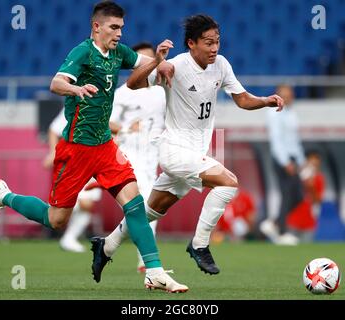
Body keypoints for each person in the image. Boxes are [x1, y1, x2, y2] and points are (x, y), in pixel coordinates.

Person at [0, 1, 187, 293]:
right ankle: (4, 195)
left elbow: (143, 64)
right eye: (114, 27)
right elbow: (56, 83)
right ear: (97, 26)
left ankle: (154, 271)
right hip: (76, 150)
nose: (119, 33)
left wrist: (160, 60)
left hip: (105, 147)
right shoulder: (83, 52)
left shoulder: (118, 52)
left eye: (121, 28)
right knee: (56, 219)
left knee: (135, 204)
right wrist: (76, 88)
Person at [91, 14, 284, 278]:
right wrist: (158, 63)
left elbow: (241, 99)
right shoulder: (175, 66)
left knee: (149, 212)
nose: (214, 48)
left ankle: (106, 246)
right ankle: (199, 244)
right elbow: (134, 84)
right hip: (173, 150)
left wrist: (265, 101)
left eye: (217, 42)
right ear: (191, 43)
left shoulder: (221, 65)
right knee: (228, 182)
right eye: (208, 43)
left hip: (195, 152)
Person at [109, 42, 166, 273]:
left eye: (152, 60)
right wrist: (124, 129)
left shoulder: (161, 91)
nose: (148, 65)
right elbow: (106, 122)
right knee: (145, 204)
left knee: (148, 206)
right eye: (142, 60)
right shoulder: (121, 94)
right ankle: (147, 261)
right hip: (129, 155)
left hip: (154, 155)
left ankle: (107, 245)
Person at [43, 108, 103, 253]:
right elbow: (54, 129)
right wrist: (52, 152)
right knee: (81, 203)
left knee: (87, 205)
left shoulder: (109, 103)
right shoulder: (78, 104)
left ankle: (69, 238)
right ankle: (45, 212)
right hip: (76, 162)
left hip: (96, 160)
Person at [260, 84, 304, 245]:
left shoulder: (292, 113)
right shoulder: (273, 112)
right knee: (286, 194)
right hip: (282, 159)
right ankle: (282, 231)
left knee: (298, 196)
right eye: (284, 95)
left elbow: (295, 140)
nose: (288, 97)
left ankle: (273, 223)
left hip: (293, 158)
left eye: (290, 94)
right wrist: (285, 161)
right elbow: (276, 140)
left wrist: (301, 161)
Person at [286, 150, 325, 242]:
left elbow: (318, 201)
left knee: (306, 250)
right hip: (293, 219)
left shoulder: (319, 178)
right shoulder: (296, 176)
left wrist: (311, 188)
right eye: (311, 162)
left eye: (316, 163)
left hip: (309, 222)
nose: (314, 165)